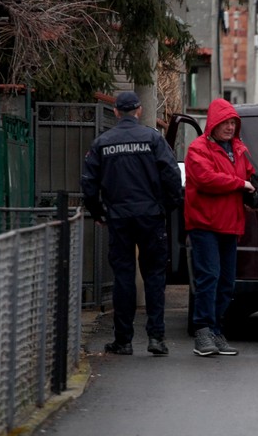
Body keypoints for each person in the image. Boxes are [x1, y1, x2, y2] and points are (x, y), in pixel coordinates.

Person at [81, 91, 182, 356]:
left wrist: (98, 213)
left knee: (123, 277)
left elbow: (88, 184)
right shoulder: (152, 138)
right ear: (138, 111)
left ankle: (123, 340)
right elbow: (171, 175)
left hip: (119, 218)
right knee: (154, 276)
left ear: (115, 112)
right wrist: (167, 207)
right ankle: (156, 338)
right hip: (150, 217)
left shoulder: (103, 142)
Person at [184, 98, 256, 357]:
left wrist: (252, 198)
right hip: (205, 225)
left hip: (230, 225)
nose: (228, 127)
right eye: (224, 122)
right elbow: (205, 179)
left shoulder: (238, 149)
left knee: (226, 282)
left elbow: (249, 176)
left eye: (232, 123)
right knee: (209, 278)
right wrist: (240, 185)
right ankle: (203, 331)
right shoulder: (197, 148)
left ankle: (215, 329)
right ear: (212, 123)